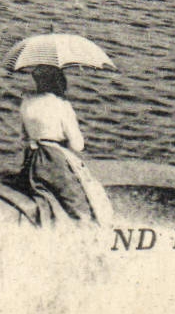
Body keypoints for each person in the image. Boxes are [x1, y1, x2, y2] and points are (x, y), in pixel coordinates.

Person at [18, 65, 113, 226]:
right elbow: (77, 145)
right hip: (55, 161)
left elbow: (24, 136)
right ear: (59, 82)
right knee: (82, 203)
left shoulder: (26, 103)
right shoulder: (62, 105)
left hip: (32, 160)